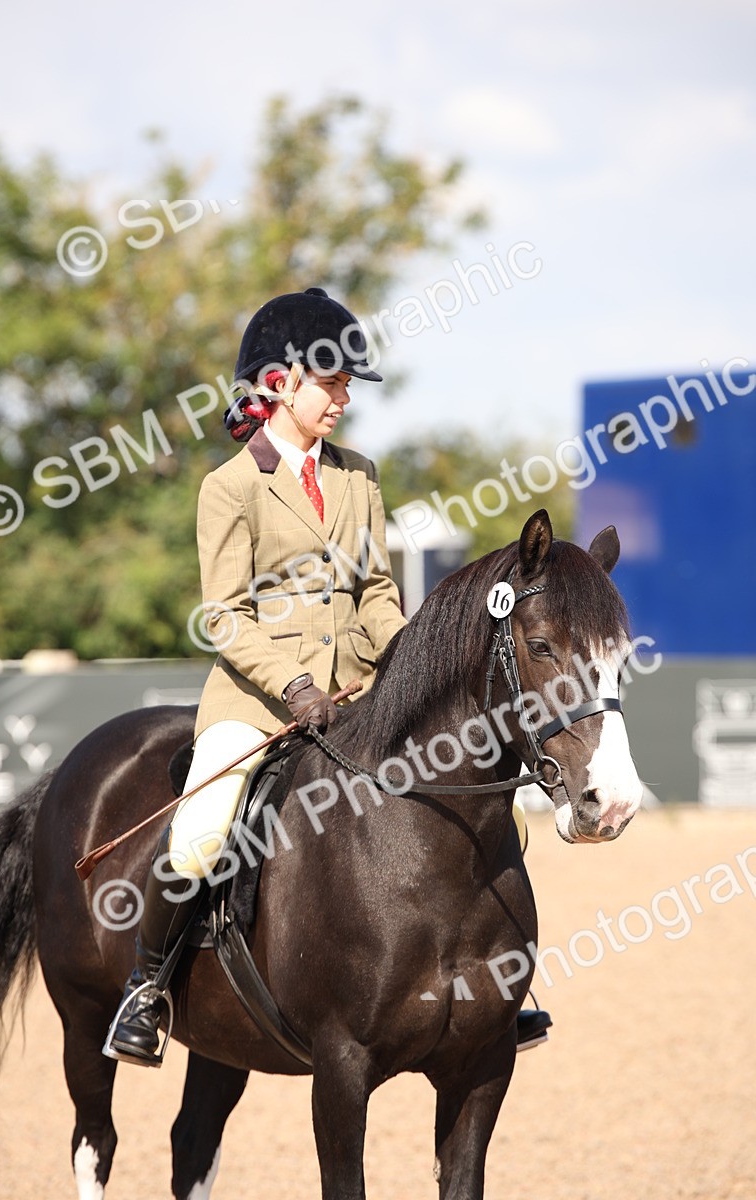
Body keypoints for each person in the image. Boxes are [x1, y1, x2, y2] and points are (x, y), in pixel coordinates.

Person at [104, 286, 550, 1066]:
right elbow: (223, 615)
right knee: (204, 836)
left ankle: (493, 994)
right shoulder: (230, 487)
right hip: (256, 701)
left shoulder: (360, 477)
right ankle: (148, 988)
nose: (344, 398)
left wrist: (416, 665)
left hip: (359, 692)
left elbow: (375, 592)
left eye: (348, 385)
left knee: (488, 813)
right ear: (279, 382)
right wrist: (293, 687)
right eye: (333, 383)